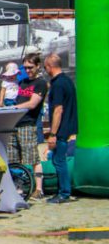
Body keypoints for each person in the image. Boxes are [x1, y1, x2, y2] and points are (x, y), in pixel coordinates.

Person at [44, 53, 77, 204]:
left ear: (50, 66)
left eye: (45, 67)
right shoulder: (67, 81)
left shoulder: (58, 84)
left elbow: (58, 110)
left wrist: (53, 134)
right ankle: (63, 191)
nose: (45, 70)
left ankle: (64, 193)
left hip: (61, 130)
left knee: (59, 161)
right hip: (68, 127)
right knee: (59, 160)